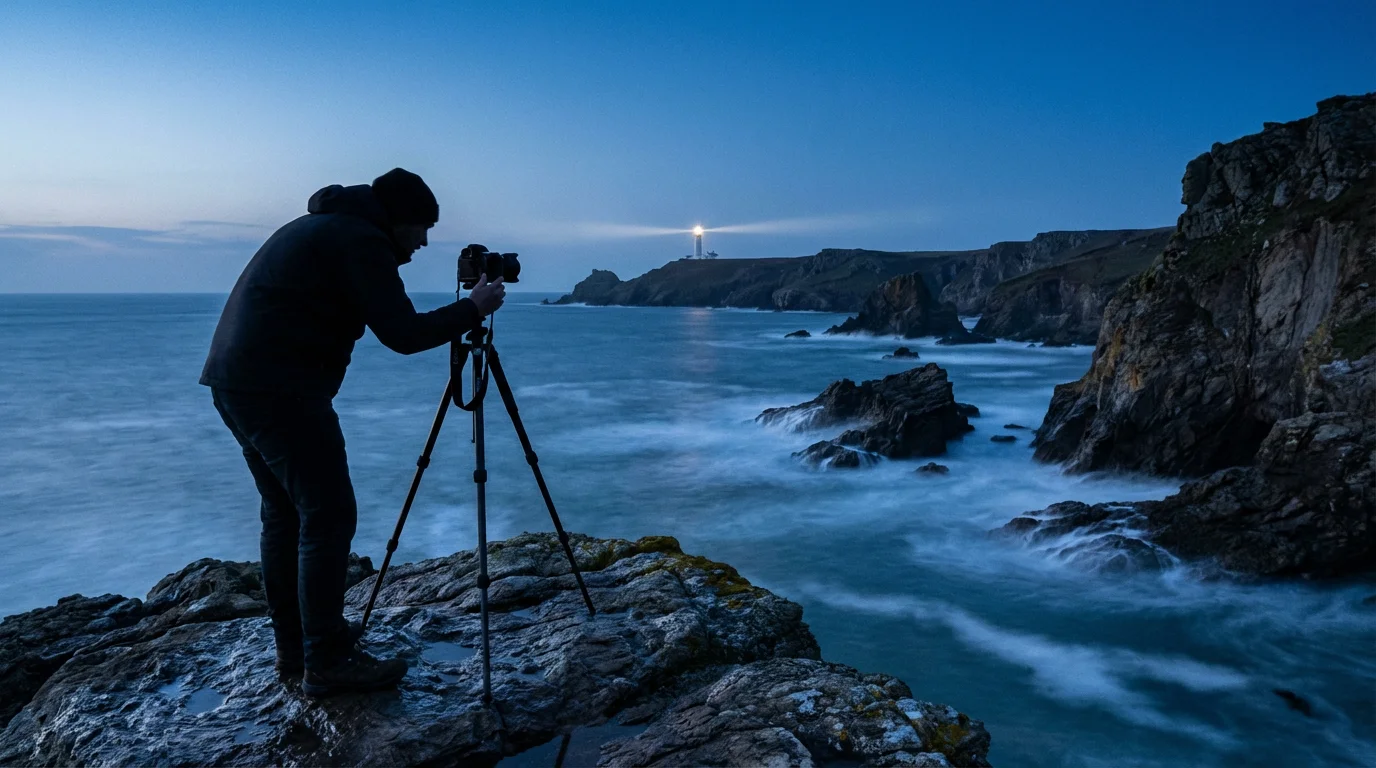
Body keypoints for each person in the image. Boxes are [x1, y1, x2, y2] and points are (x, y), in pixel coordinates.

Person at [200, 168, 505, 697]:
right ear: (399, 220)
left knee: (287, 517)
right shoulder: (361, 240)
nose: (425, 241)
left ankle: (298, 652)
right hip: (280, 390)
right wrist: (472, 309)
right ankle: (327, 660)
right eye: (423, 228)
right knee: (328, 514)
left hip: (235, 382)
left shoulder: (325, 227)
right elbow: (403, 334)